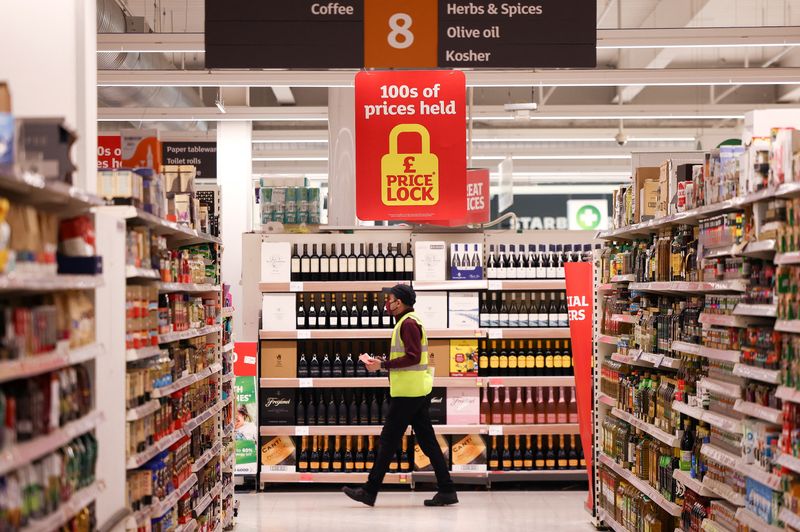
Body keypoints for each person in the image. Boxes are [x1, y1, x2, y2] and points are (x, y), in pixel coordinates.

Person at [343, 284, 457, 507]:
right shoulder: (409, 322)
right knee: (427, 441)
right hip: (415, 390)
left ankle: (370, 490)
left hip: (408, 393)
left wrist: (383, 365)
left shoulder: (409, 323)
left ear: (401, 302)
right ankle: (447, 489)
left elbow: (413, 357)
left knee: (388, 441)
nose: (388, 303)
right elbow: (409, 356)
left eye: (391, 299)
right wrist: (383, 361)